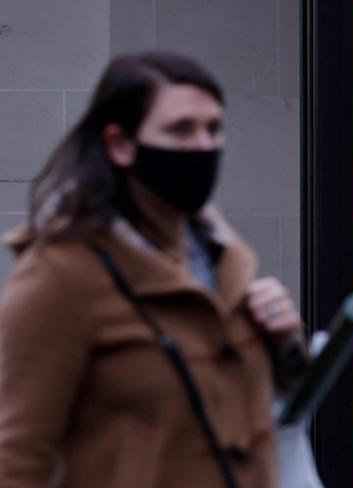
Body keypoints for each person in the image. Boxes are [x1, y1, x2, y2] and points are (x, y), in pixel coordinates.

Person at [0, 51, 304, 487]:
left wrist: (285, 348)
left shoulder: (220, 251)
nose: (203, 146)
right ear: (120, 145)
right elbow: (19, 458)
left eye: (213, 129)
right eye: (181, 130)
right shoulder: (60, 275)